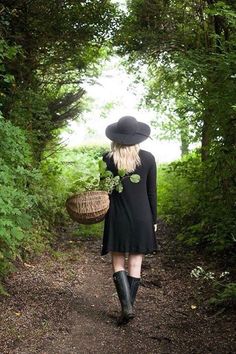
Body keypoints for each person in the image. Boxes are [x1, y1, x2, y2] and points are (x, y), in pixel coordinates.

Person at [101, 115, 158, 325]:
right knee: (136, 263)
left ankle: (126, 308)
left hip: (117, 217)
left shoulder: (108, 159)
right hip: (143, 217)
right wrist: (154, 219)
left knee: (118, 261)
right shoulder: (149, 158)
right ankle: (129, 308)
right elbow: (152, 193)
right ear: (138, 137)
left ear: (116, 136)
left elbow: (104, 191)